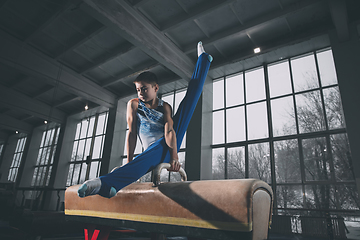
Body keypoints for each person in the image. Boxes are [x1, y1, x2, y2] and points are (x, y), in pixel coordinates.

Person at [77, 42, 213, 198]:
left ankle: (203, 60)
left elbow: (169, 132)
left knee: (189, 102)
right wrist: (129, 160)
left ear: (156, 88)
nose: (141, 93)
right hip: (152, 152)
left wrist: (174, 157)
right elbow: (132, 133)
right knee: (143, 160)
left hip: (169, 146)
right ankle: (109, 186)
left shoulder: (165, 107)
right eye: (138, 89)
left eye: (144, 89)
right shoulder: (134, 105)